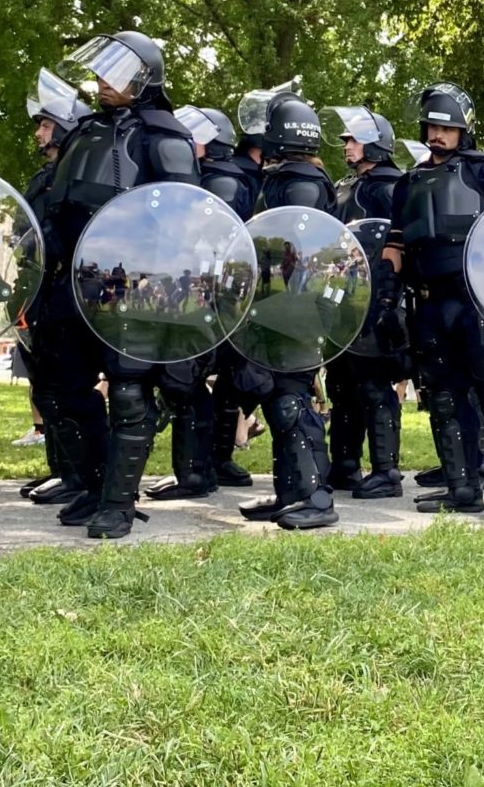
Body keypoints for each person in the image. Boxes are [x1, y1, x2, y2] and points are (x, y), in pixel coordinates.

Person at [28, 32, 199, 541]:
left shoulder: (164, 139)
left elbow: (184, 220)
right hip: (72, 280)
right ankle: (93, 485)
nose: (102, 82)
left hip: (133, 282)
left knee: (128, 391)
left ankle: (119, 505)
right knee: (62, 387)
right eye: (101, 72)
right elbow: (59, 208)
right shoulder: (86, 133)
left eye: (115, 73)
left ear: (143, 78)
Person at [383, 82, 484, 521]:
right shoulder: (408, 182)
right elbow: (396, 241)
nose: (437, 134)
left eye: (446, 128)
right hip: (429, 305)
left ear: (463, 130)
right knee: (445, 400)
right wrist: (388, 297)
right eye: (431, 126)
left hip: (479, 301)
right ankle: (461, 489)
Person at [235, 91, 341, 531]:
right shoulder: (292, 179)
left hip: (293, 306)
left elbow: (292, 250)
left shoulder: (301, 184)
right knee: (280, 396)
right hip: (281, 303)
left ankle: (316, 496)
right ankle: (290, 491)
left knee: (292, 401)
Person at [146, 104, 258, 499]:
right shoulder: (210, 178)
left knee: (183, 380)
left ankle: (196, 475)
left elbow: (207, 241)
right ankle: (201, 469)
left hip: (207, 298)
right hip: (195, 295)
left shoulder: (222, 182)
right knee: (182, 381)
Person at [324, 106, 407, 498]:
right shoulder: (345, 187)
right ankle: (344, 464)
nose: (346, 145)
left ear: (376, 145)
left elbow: (398, 246)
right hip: (344, 298)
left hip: (379, 299)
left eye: (354, 139)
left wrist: (390, 301)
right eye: (345, 139)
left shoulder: (392, 188)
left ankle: (386, 471)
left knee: (373, 384)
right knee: (342, 383)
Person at [16, 69, 86, 507]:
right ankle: (61, 469)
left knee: (65, 386)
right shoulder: (43, 177)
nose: (40, 132)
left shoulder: (74, 178)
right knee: (45, 385)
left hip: (65, 291)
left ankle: (76, 474)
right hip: (37, 291)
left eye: (45, 124)